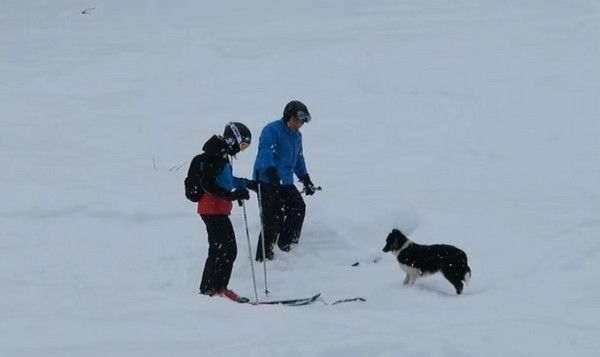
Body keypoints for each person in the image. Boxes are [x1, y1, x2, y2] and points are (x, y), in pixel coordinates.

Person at [190, 122, 255, 301]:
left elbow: (225, 180)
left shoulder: (221, 155)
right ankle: (211, 290)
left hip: (217, 209)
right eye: (242, 145)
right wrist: (232, 196)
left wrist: (247, 184)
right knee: (222, 249)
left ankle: (217, 288)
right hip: (211, 209)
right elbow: (208, 184)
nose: (241, 150)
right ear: (232, 139)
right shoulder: (215, 155)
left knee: (226, 249)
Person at [252, 100, 318, 262]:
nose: (299, 124)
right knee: (272, 217)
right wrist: (270, 170)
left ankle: (286, 243)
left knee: (298, 207)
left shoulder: (297, 137)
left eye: (302, 121)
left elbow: (298, 159)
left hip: (285, 182)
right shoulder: (272, 130)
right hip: (267, 181)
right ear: (288, 117)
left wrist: (305, 178)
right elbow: (265, 152)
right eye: (297, 120)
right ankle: (264, 256)